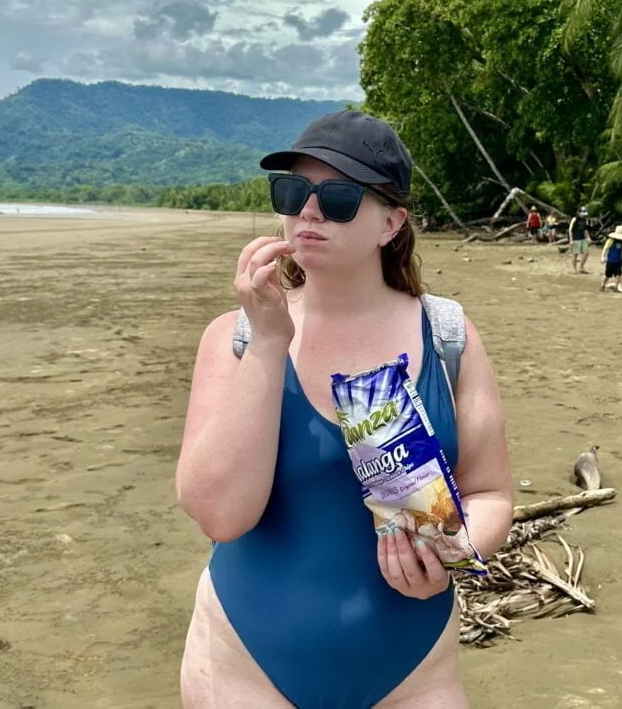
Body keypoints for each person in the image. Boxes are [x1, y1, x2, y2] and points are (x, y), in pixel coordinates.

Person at [176, 110, 514, 709]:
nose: (308, 211)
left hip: (414, 669)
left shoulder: (448, 336)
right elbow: (219, 516)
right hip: (243, 661)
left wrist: (453, 551)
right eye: (293, 192)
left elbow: (490, 494)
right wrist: (268, 341)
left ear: (392, 221)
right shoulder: (232, 338)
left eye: (337, 197)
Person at [600, 224, 622, 292]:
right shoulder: (610, 240)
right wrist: (602, 257)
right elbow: (605, 249)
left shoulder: (621, 242)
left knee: (618, 274)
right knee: (608, 275)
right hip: (611, 261)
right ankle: (603, 284)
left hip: (618, 260)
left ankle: (616, 286)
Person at [568, 206, 592, 273]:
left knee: (586, 253)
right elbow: (570, 230)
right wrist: (571, 240)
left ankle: (581, 267)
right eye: (582, 214)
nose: (583, 215)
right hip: (575, 239)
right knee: (575, 254)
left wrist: (588, 237)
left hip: (583, 238)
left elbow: (585, 230)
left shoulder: (584, 220)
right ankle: (574, 269)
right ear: (578, 213)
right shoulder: (574, 219)